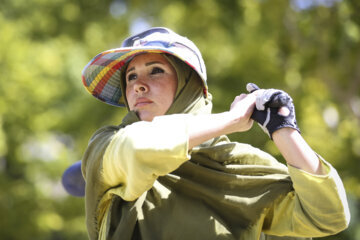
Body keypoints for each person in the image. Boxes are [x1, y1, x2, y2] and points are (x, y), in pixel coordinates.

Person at [76, 27, 350, 240]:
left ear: (190, 85)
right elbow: (138, 149)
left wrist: (283, 129)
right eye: (131, 77)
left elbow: (328, 215)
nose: (139, 86)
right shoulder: (106, 145)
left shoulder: (235, 163)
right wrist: (232, 119)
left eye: (155, 71)